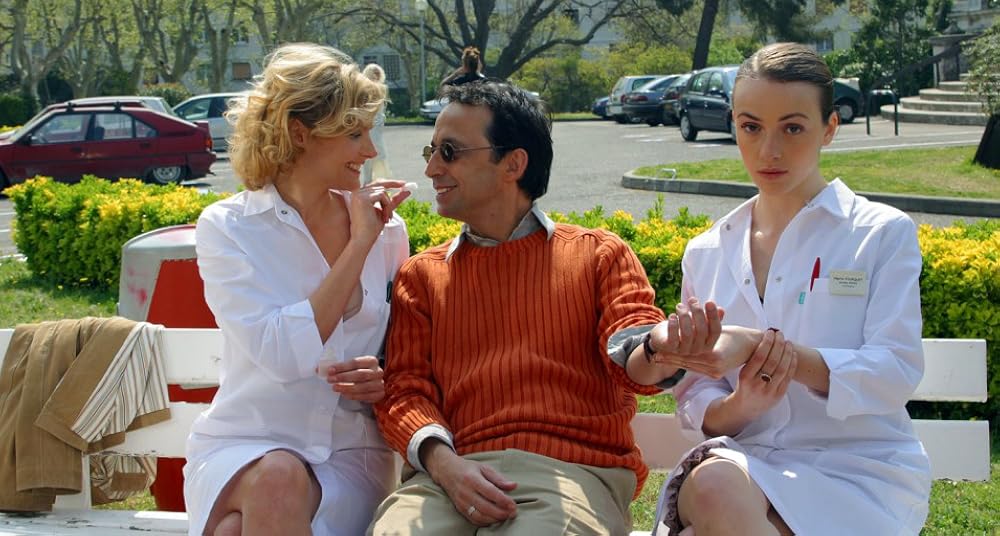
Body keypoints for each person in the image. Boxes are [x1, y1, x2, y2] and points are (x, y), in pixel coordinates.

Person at [368, 79, 765, 536]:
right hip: (447, 478)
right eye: (431, 151)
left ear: (513, 163)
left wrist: (661, 347)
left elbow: (632, 348)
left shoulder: (598, 255)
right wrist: (445, 466)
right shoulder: (420, 276)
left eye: (450, 152)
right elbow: (404, 392)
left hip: (573, 473)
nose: (432, 168)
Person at [652, 42, 931, 536]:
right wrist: (740, 406)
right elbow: (696, 391)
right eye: (751, 127)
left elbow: (895, 369)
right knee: (712, 485)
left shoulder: (880, 233)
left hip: (860, 471)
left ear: (830, 128)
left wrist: (762, 350)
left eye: (793, 128)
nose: (769, 150)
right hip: (745, 466)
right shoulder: (706, 251)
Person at [184, 43, 412, 536]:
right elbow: (283, 356)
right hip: (243, 444)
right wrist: (358, 246)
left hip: (352, 456)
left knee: (235, 530)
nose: (370, 151)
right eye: (354, 133)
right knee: (278, 478)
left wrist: (384, 377)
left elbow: (405, 354)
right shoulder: (228, 228)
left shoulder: (389, 231)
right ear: (300, 133)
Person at [360, 63, 392, 185]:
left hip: (378, 124)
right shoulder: (363, 90)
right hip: (368, 124)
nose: (375, 76)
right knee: (368, 154)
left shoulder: (382, 88)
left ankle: (382, 182)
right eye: (373, 74)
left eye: (377, 74)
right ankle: (367, 182)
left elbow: (381, 108)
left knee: (380, 153)